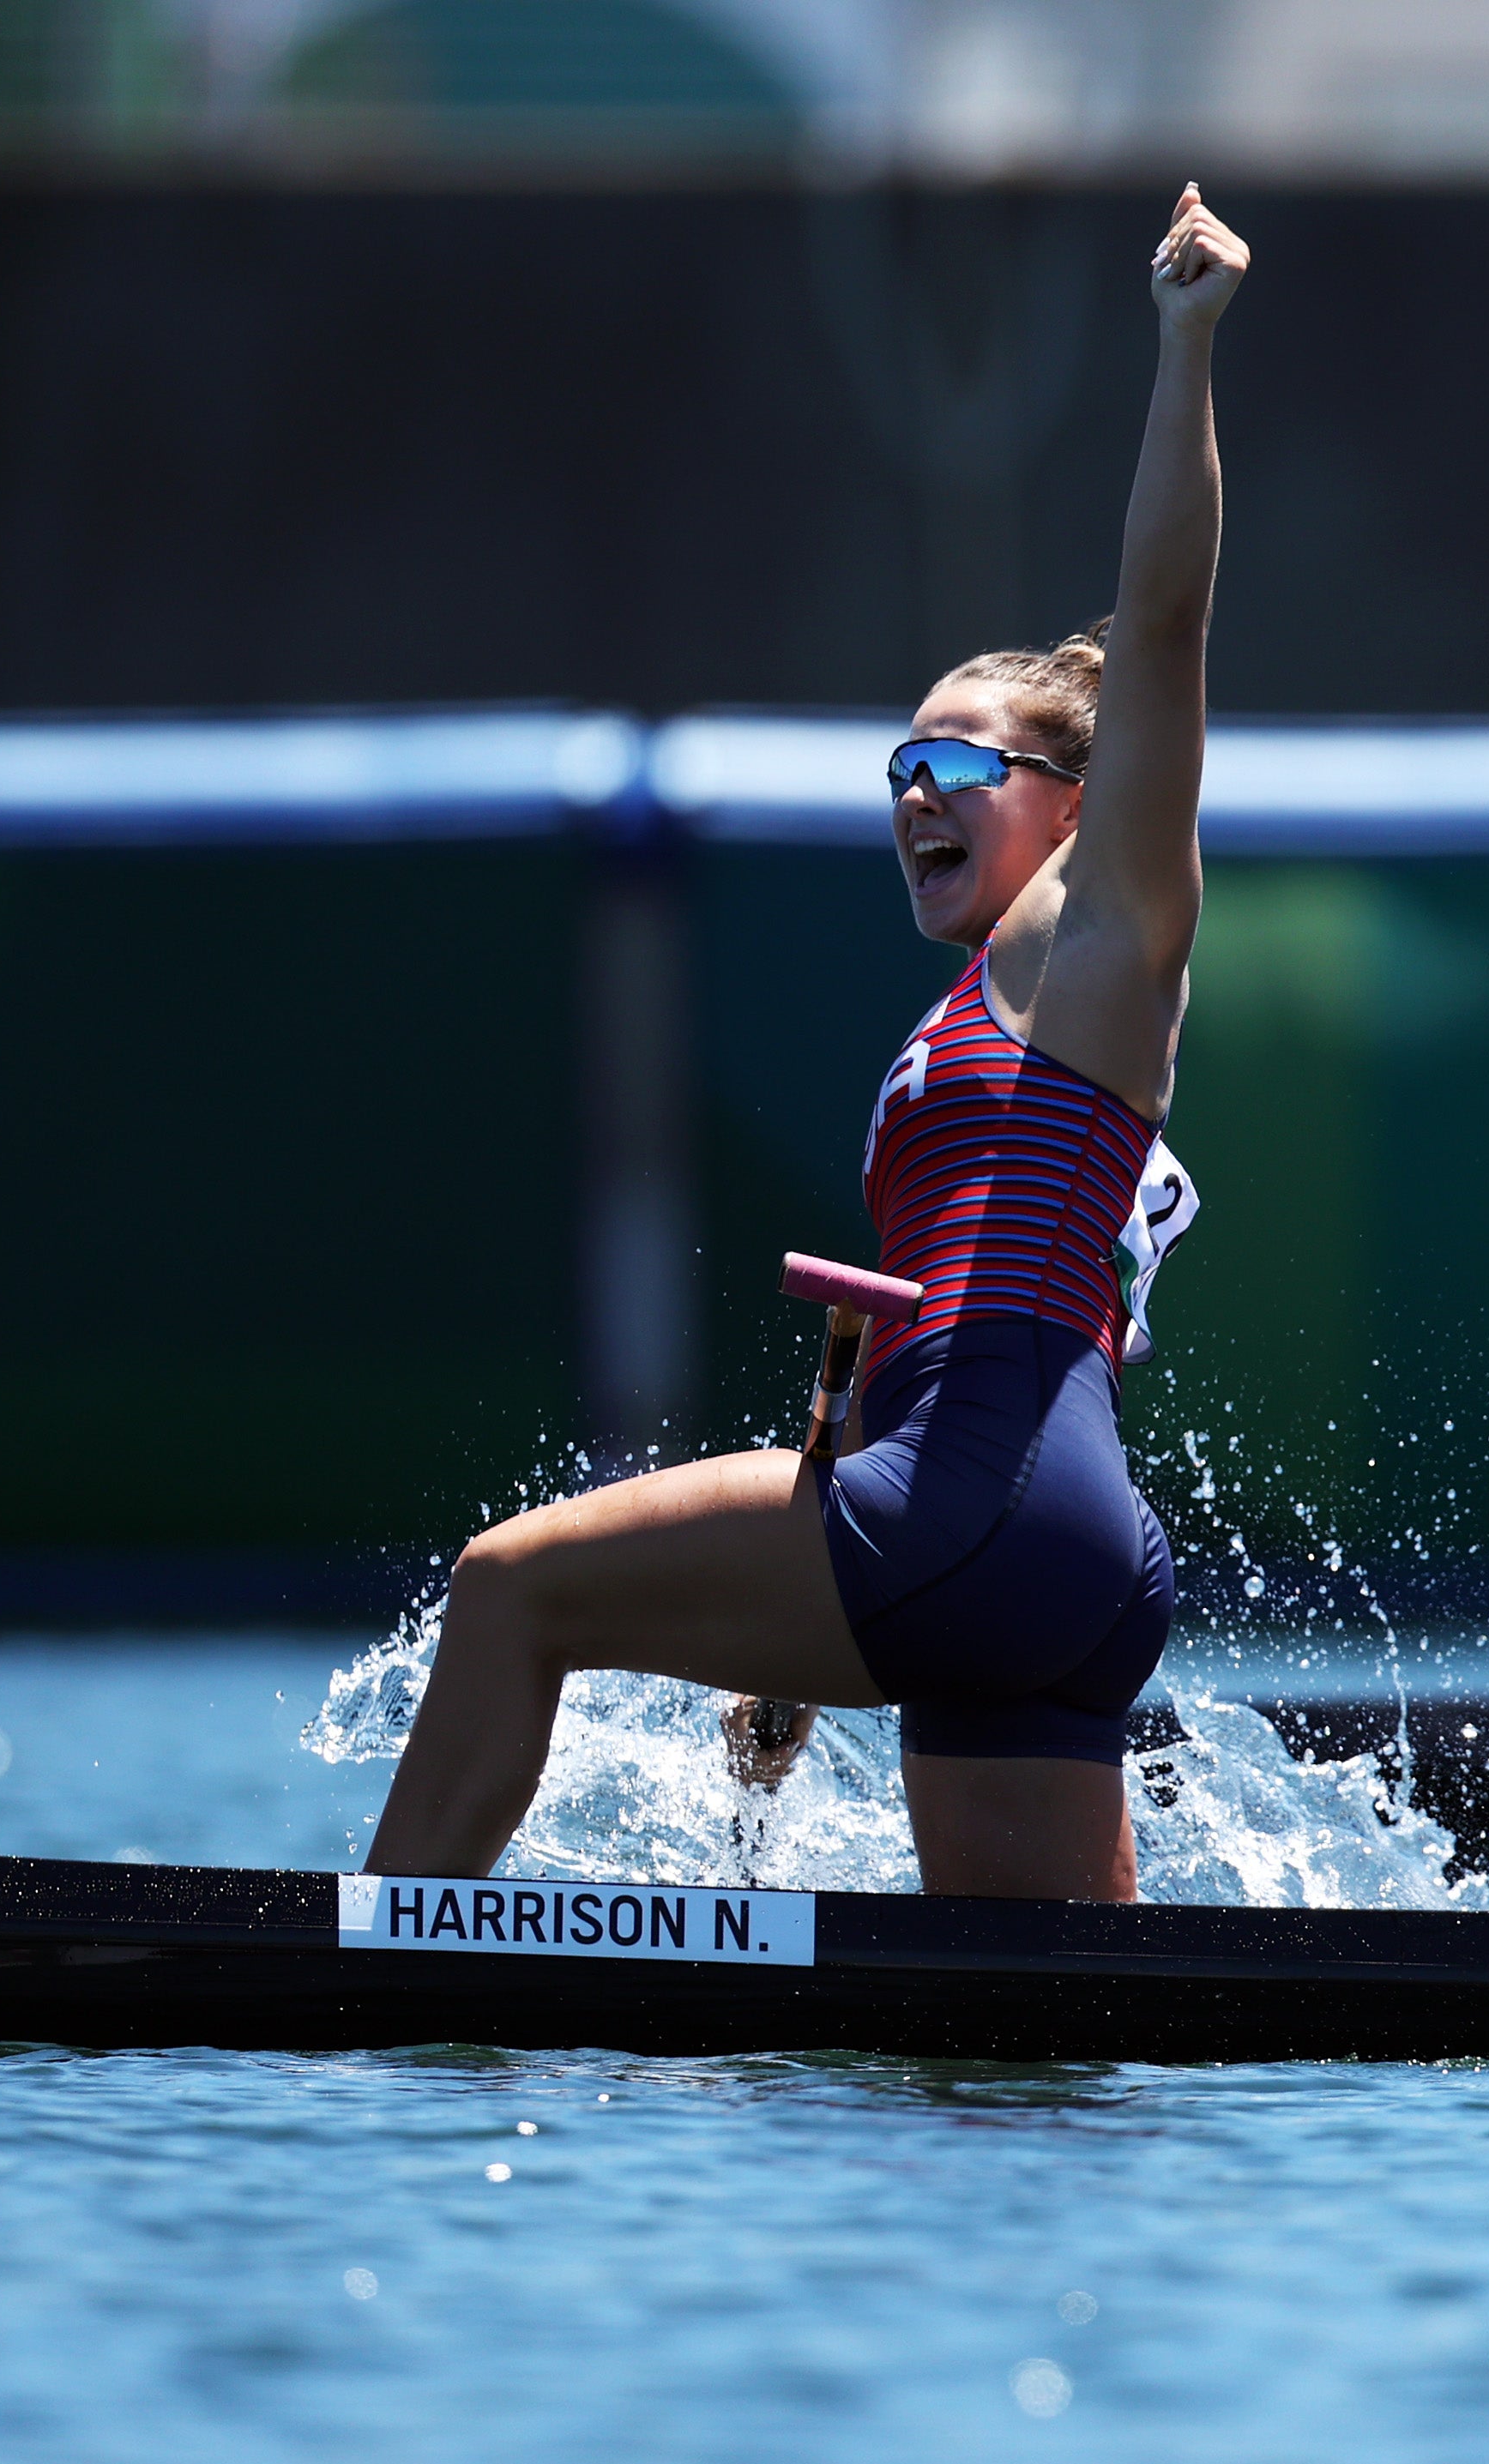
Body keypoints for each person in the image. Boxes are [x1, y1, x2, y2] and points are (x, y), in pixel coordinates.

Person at [362, 184, 1247, 1902]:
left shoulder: (1098, 934)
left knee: (508, 1590)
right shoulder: (977, 1015)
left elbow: (1165, 634)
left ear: (1074, 805)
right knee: (1033, 2067)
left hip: (981, 1505)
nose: (919, 795)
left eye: (965, 769)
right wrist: (787, 1641)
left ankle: (360, 1972)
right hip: (1041, 1547)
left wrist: (1185, 342)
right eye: (900, 773)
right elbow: (923, 1324)